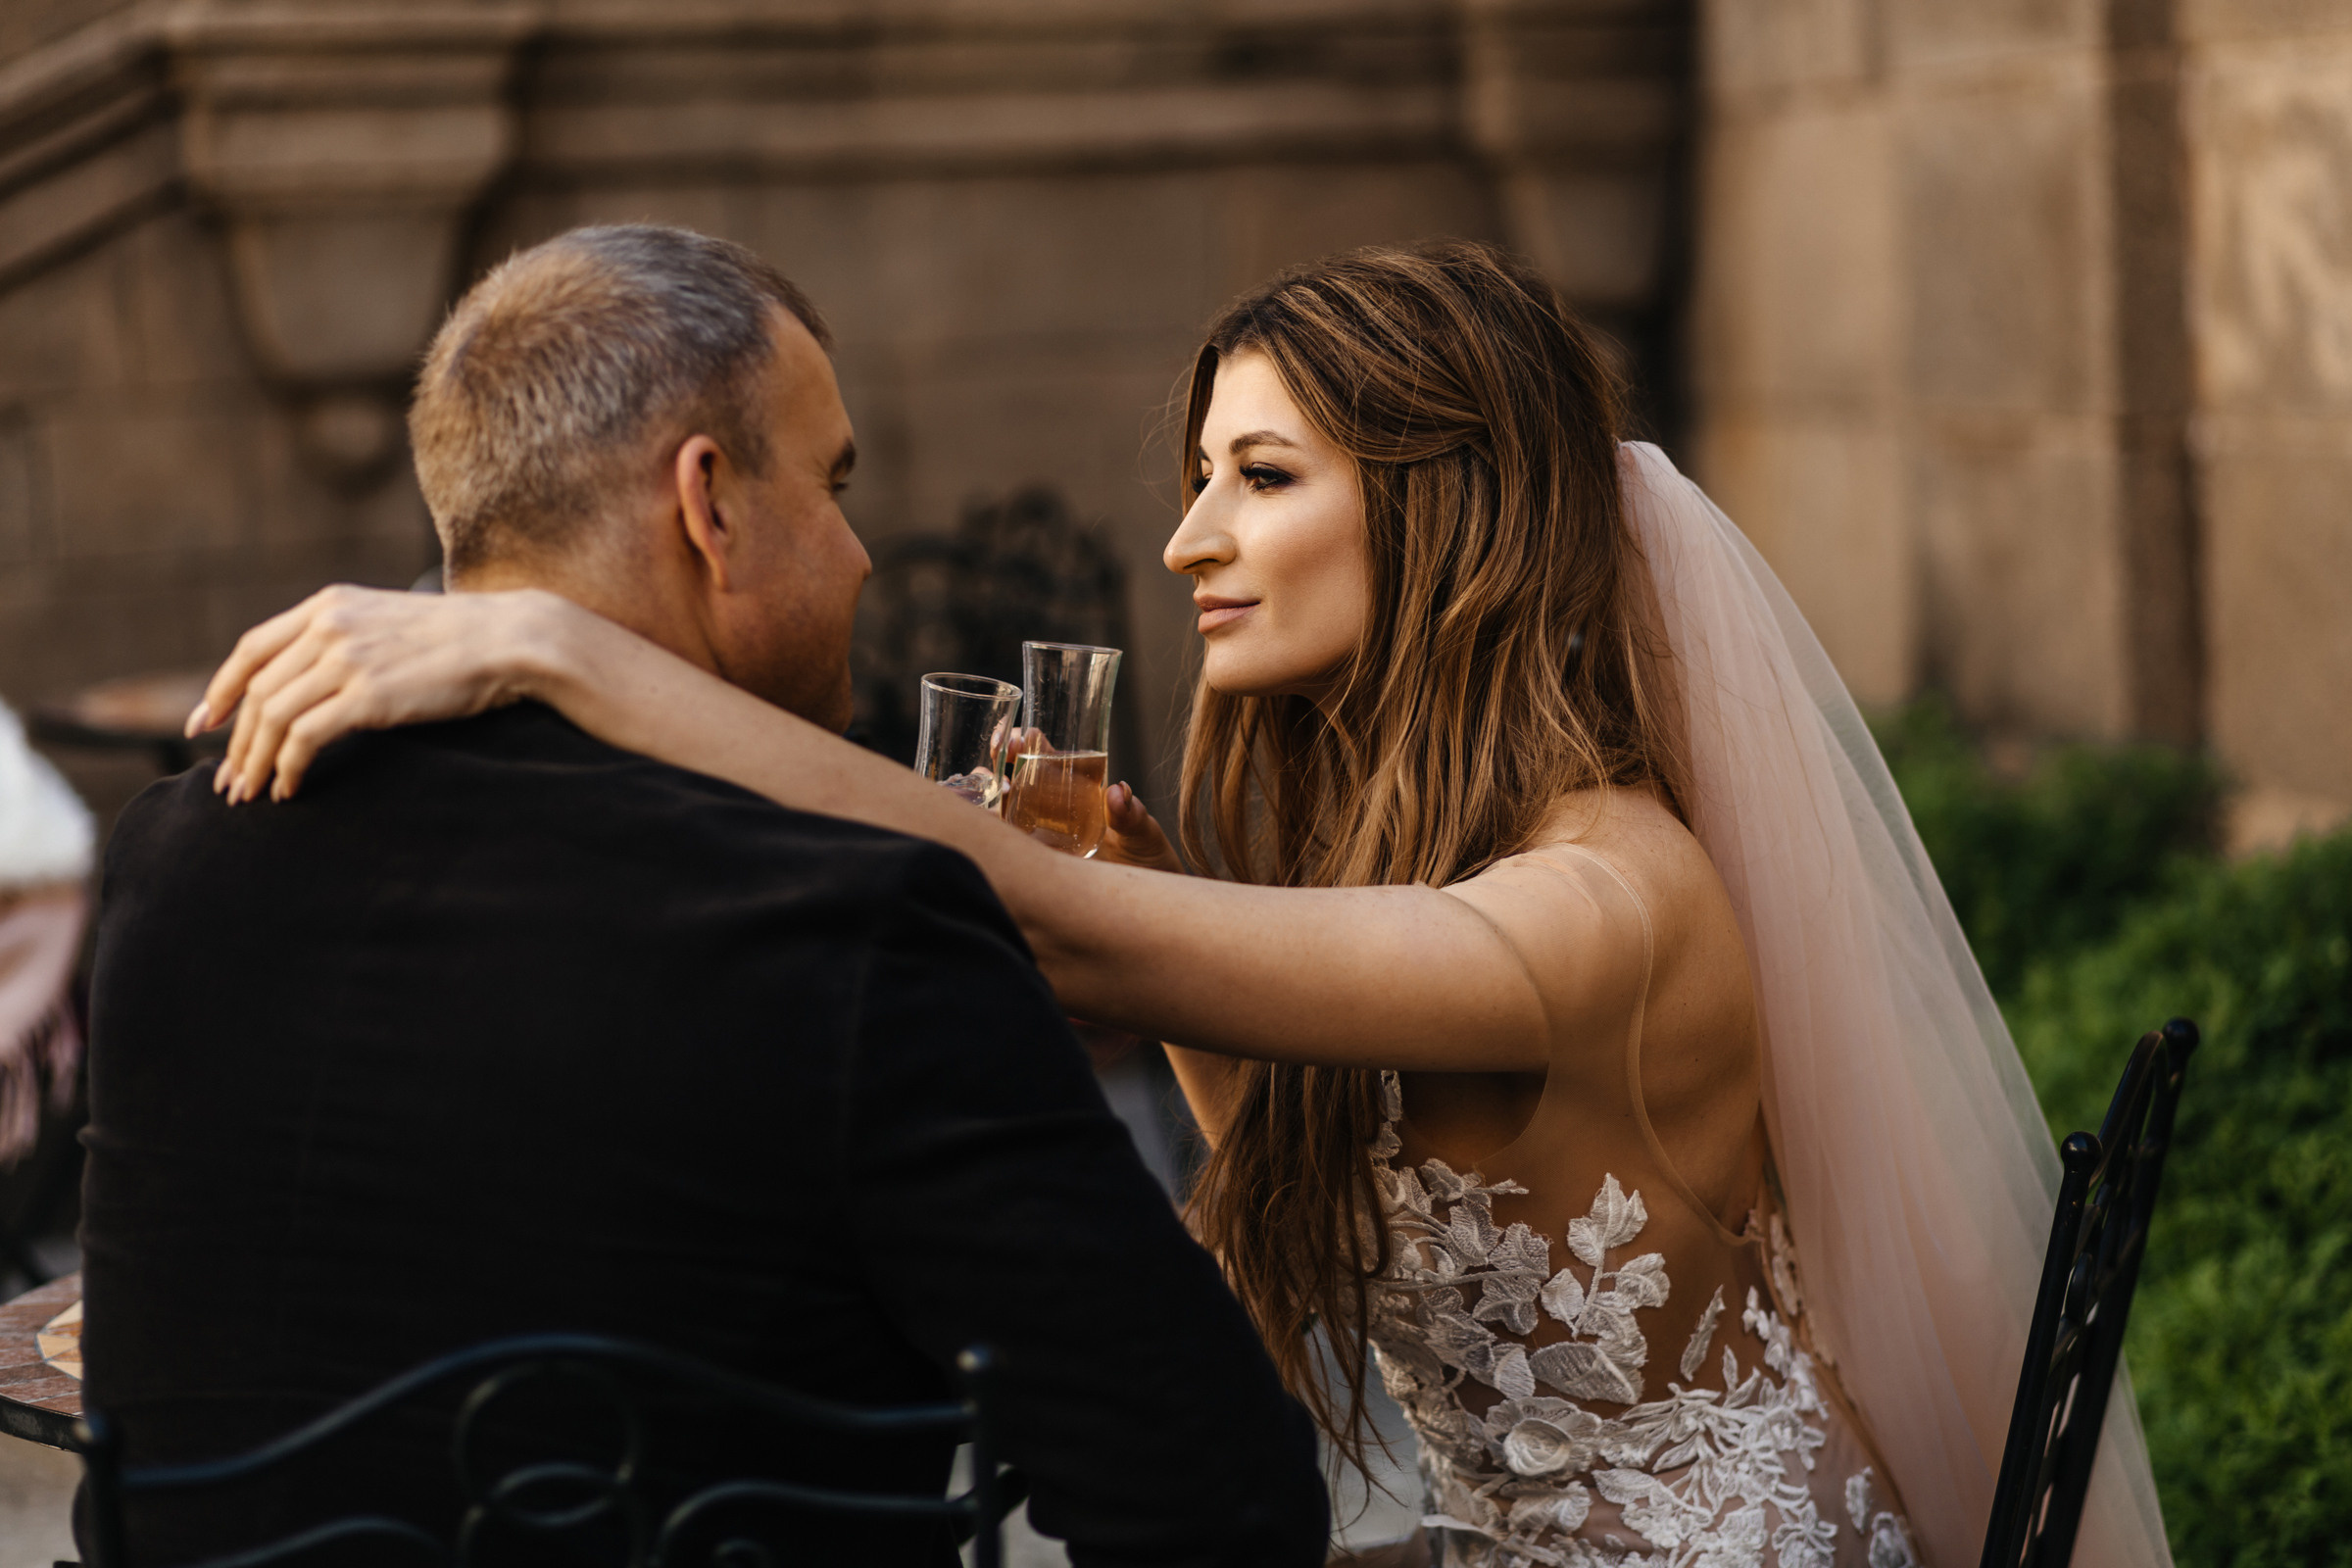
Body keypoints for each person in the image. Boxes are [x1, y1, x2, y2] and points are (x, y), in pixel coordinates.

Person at [192, 241, 2175, 1568]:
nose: (1186, 535)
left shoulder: (1612, 903)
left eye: (1261, 476)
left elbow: (1065, 936)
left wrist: (571, 656)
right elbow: (1274, 1166)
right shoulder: (1418, 881)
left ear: (1441, 507)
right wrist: (1138, 922)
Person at [78, 224, 1330, 1567]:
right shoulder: (853, 923)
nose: (858, 554)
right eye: (837, 485)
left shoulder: (177, 856)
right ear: (709, 504)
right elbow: (1223, 1504)